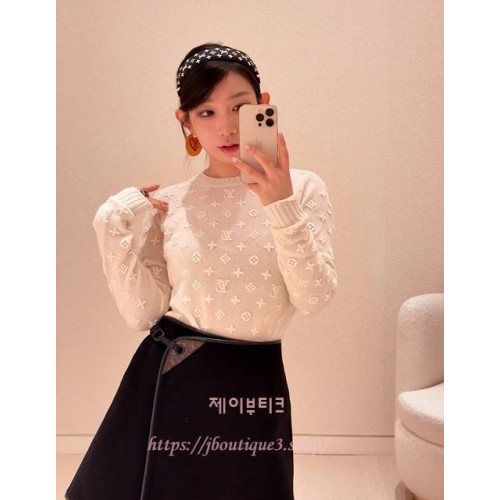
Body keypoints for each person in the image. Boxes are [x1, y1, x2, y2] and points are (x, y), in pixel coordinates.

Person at [65, 42, 337, 500]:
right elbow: (143, 313)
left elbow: (314, 298)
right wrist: (111, 224)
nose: (226, 125)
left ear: (263, 105)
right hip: (172, 377)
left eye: (240, 107)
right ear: (185, 122)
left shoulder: (302, 189)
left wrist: (279, 204)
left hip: (254, 384)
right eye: (206, 112)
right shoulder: (171, 203)